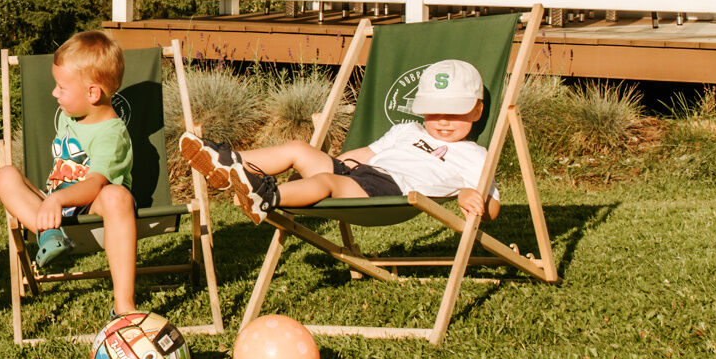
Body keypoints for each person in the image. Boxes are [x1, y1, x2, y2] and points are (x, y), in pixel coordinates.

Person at [180, 58, 502, 224]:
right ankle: (229, 164)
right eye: (434, 112)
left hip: (390, 192)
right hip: (359, 173)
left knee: (325, 182)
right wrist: (342, 162)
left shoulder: (475, 155)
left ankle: (267, 196)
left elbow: (492, 203)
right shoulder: (407, 130)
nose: (444, 121)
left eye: (455, 113)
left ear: (477, 111)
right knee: (298, 149)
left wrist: (474, 199)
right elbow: (367, 152)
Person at [0, 30, 140, 315]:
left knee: (116, 195)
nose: (54, 93)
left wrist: (57, 200)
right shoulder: (73, 117)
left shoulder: (111, 134)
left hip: (93, 208)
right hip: (56, 206)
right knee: (4, 175)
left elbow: (95, 184)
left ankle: (124, 306)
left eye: (61, 87)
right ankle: (49, 235)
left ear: (92, 93)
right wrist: (52, 199)